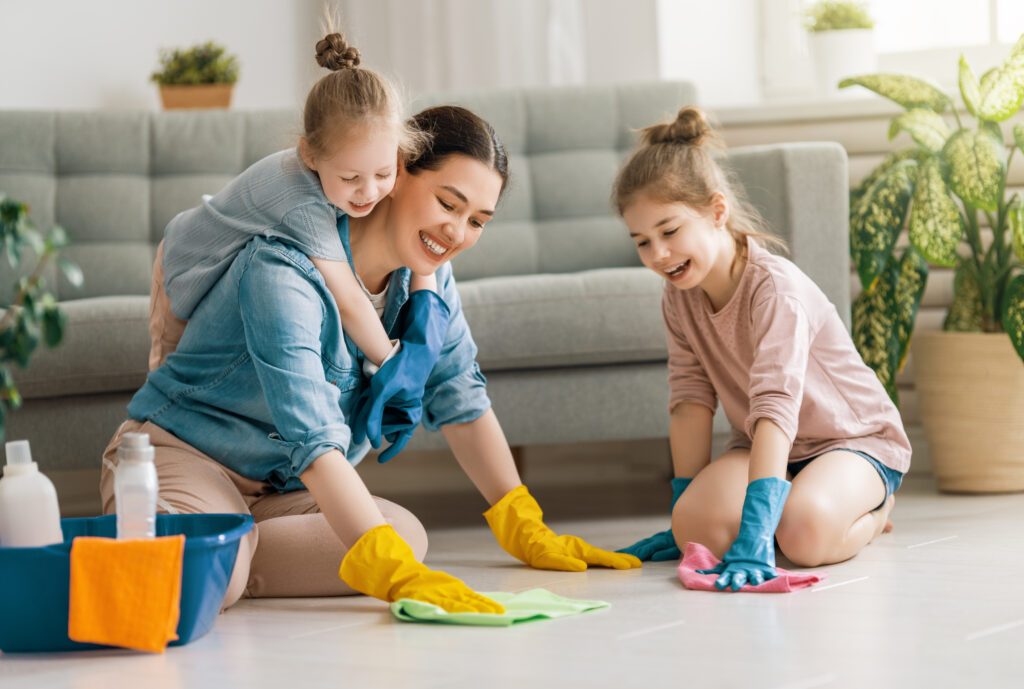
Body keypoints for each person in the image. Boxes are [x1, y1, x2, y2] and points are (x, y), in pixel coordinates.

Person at [102, 103, 640, 616]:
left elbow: (458, 391)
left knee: (404, 534)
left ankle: (224, 548)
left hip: (283, 493)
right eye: (448, 204)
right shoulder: (282, 266)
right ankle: (211, 548)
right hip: (188, 458)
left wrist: (525, 523)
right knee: (368, 552)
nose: (456, 233)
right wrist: (391, 575)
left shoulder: (429, 280)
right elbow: (310, 432)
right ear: (396, 172)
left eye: (478, 220)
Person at [614, 107, 910, 589]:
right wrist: (681, 509)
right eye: (642, 242)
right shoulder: (678, 297)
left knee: (803, 536)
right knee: (696, 531)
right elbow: (690, 400)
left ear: (717, 211)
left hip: (851, 440)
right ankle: (786, 502)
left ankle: (876, 513)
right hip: (763, 445)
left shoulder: (776, 291)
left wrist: (755, 532)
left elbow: (775, 405)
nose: (659, 255)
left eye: (669, 231)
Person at [149, 30, 432, 391]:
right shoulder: (303, 201)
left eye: (383, 174)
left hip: (228, 263)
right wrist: (393, 363)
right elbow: (347, 300)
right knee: (169, 377)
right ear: (309, 155)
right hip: (186, 256)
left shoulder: (348, 172)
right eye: (350, 178)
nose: (369, 191)